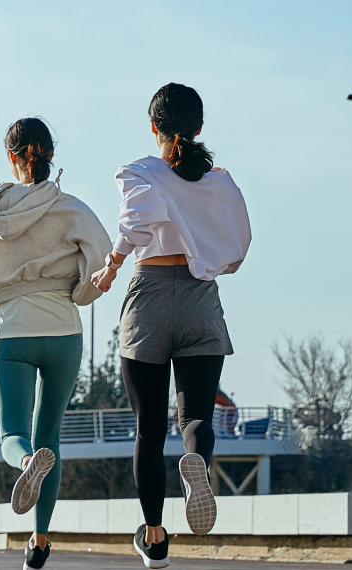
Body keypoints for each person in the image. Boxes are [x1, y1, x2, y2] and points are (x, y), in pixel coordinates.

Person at [90, 83, 250, 569]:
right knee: (196, 415)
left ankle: (155, 536)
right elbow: (238, 250)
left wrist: (113, 264)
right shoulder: (221, 182)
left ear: (153, 126)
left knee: (148, 429)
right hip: (201, 298)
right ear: (199, 127)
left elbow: (139, 218)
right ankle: (197, 462)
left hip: (150, 296)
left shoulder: (141, 171)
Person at [0, 118, 111, 570]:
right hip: (63, 330)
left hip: (11, 329)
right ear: (51, 155)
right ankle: (39, 542)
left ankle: (24, 466)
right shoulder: (72, 208)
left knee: (14, 435)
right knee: (50, 435)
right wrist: (78, 293)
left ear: (11, 158)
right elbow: (100, 261)